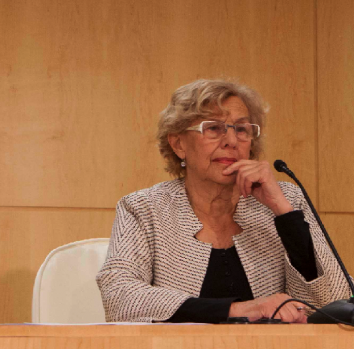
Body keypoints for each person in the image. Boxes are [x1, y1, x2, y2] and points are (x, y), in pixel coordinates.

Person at [96, 79, 350, 323]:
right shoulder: (144, 208)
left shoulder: (287, 200)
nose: (231, 140)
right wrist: (237, 310)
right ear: (178, 144)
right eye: (214, 128)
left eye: (241, 129)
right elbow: (119, 296)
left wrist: (284, 213)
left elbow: (335, 303)